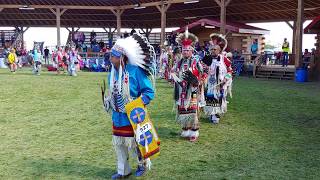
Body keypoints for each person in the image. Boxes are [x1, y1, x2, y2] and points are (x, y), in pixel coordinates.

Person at [101, 33, 158, 179]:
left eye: (113, 56)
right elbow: (114, 92)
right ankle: (123, 171)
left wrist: (137, 105)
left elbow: (149, 92)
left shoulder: (135, 71)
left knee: (136, 143)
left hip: (133, 117)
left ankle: (143, 164)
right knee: (119, 144)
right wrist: (108, 100)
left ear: (121, 57)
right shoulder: (112, 74)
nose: (110, 58)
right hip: (118, 116)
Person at [171, 29, 203, 142]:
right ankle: (185, 129)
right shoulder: (179, 62)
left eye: (187, 50)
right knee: (183, 109)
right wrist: (175, 78)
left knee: (193, 110)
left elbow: (203, 72)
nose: (185, 52)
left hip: (193, 90)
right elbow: (173, 72)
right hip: (181, 90)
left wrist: (197, 80)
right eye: (184, 50)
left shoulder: (196, 61)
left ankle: (194, 132)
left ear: (191, 51)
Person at [202, 34, 233, 124]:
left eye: (215, 49)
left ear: (219, 50)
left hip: (220, 84)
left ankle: (216, 115)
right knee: (210, 98)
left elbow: (230, 71)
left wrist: (225, 79)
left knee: (219, 98)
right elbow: (201, 68)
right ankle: (211, 114)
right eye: (211, 49)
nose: (212, 51)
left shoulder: (224, 59)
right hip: (210, 83)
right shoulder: (207, 58)